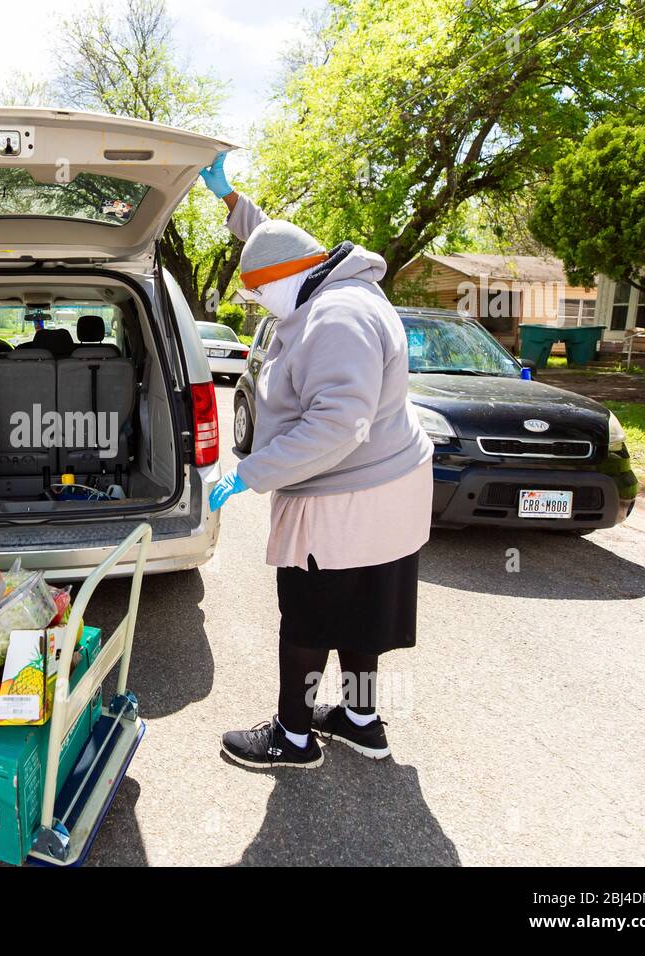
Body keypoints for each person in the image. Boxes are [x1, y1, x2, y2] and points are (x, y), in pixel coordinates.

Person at [200, 153, 434, 769]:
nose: (256, 303)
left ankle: (294, 737)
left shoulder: (337, 316)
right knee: (362, 616)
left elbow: (338, 425)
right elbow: (273, 243)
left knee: (306, 617)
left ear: (281, 280)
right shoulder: (326, 279)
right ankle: (361, 720)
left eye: (256, 292)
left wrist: (250, 473)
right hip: (389, 490)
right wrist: (231, 200)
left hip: (348, 499)